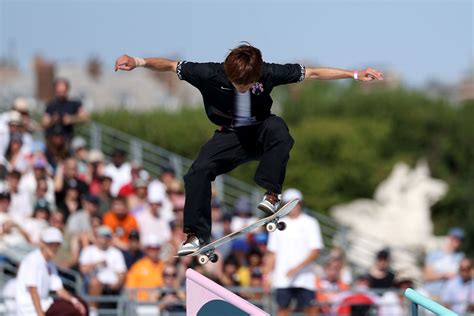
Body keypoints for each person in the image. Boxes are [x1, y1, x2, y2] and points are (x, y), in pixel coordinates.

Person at [115, 44, 383, 255]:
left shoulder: (268, 72)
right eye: (237, 83)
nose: (242, 88)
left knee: (279, 129)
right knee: (197, 171)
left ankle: (271, 194)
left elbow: (313, 72)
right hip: (230, 137)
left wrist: (355, 74)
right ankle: (196, 235)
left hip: (261, 130)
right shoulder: (207, 73)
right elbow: (170, 65)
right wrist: (137, 62)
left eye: (247, 84)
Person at [263, 189, 324, 316]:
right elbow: (272, 253)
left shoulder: (310, 223)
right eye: (288, 203)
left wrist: (296, 269)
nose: (292, 207)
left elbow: (315, 251)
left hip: (305, 278)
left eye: (295, 203)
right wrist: (266, 275)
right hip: (283, 278)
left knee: (310, 309)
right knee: (283, 309)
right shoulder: (278, 223)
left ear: (300, 204)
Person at [15, 227, 87, 316]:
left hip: (44, 304)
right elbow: (32, 290)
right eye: (50, 244)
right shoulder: (32, 260)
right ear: (42, 244)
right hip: (30, 309)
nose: (54, 247)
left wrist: (74, 301)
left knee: (80, 306)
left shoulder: (50, 264)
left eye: (57, 244)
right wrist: (40, 314)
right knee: (73, 309)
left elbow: (59, 289)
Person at [423, 227, 465, 299]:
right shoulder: (434, 254)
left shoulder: (460, 257)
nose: (457, 241)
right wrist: (444, 275)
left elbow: (465, 275)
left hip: (451, 298)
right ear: (449, 237)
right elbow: (427, 276)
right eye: (455, 238)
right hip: (432, 294)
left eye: (460, 239)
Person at [126, 234, 165, 301]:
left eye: (156, 248)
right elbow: (130, 289)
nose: (154, 251)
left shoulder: (164, 266)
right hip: (141, 304)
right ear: (146, 249)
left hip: (160, 304)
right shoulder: (137, 266)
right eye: (151, 248)